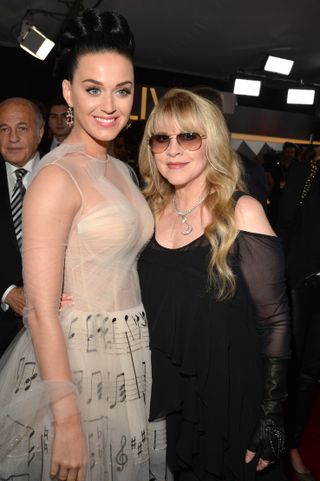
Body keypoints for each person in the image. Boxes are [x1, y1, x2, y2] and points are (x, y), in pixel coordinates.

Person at [0, 9, 167, 481]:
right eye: (93, 89)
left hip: (128, 351)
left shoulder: (123, 169)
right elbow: (38, 309)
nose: (110, 105)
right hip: (76, 361)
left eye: (123, 90)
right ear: (69, 93)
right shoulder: (57, 175)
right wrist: (67, 419)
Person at [137, 89, 290, 481]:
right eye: (161, 138)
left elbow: (274, 321)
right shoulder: (146, 212)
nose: (173, 149)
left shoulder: (242, 211)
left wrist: (272, 415)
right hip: (166, 393)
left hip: (227, 394)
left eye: (188, 137)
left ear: (213, 143)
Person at [277, 146, 320, 481]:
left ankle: (291, 443)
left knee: (310, 373)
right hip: (299, 286)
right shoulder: (306, 175)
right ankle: (272, 437)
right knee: (286, 369)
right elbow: (283, 230)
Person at [0, 97, 44, 357]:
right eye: (4, 129)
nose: (12, 137)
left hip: (58, 325)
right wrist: (5, 292)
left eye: (22, 128)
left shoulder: (66, 175)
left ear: (40, 132)